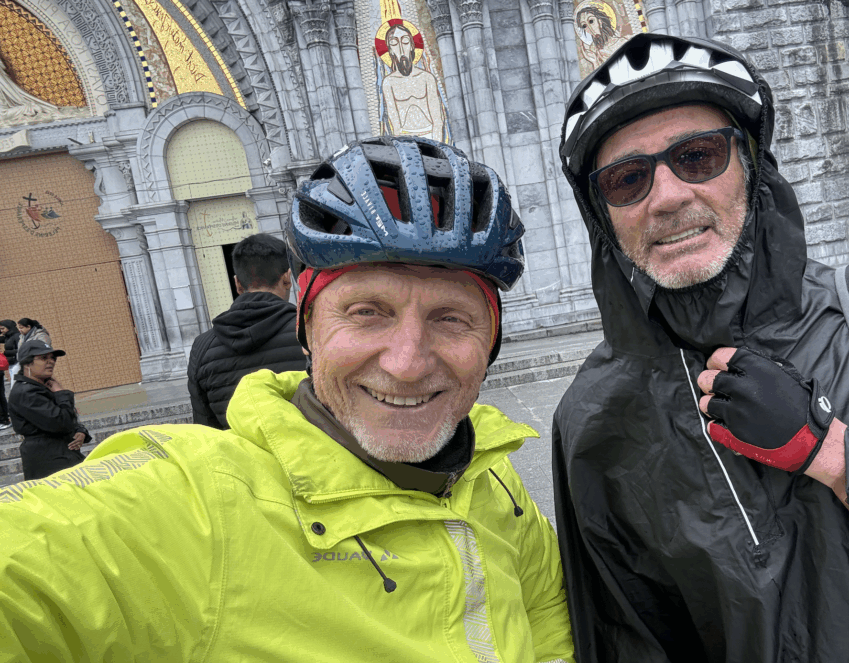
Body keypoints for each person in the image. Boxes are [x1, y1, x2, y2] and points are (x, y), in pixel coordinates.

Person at [0, 136, 575, 662]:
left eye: (452, 318)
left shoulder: (494, 482)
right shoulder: (200, 504)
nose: (407, 362)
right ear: (306, 325)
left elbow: (549, 624)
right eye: (367, 312)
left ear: (491, 341)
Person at [553, 33, 849, 662]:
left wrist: (835, 456)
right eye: (627, 178)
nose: (665, 197)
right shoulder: (594, 421)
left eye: (697, 156)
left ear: (751, 164)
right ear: (601, 215)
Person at [187, 233, 307, 429]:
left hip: (242, 458)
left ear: (238, 284)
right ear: (287, 278)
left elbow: (205, 430)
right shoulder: (309, 330)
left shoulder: (202, 347)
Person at [7, 340, 89, 479]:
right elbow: (61, 422)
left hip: (61, 453)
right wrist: (61, 394)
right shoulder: (26, 392)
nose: (50, 362)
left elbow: (69, 418)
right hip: (48, 459)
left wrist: (81, 431)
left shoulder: (43, 386)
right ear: (27, 362)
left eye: (53, 358)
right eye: (43, 358)